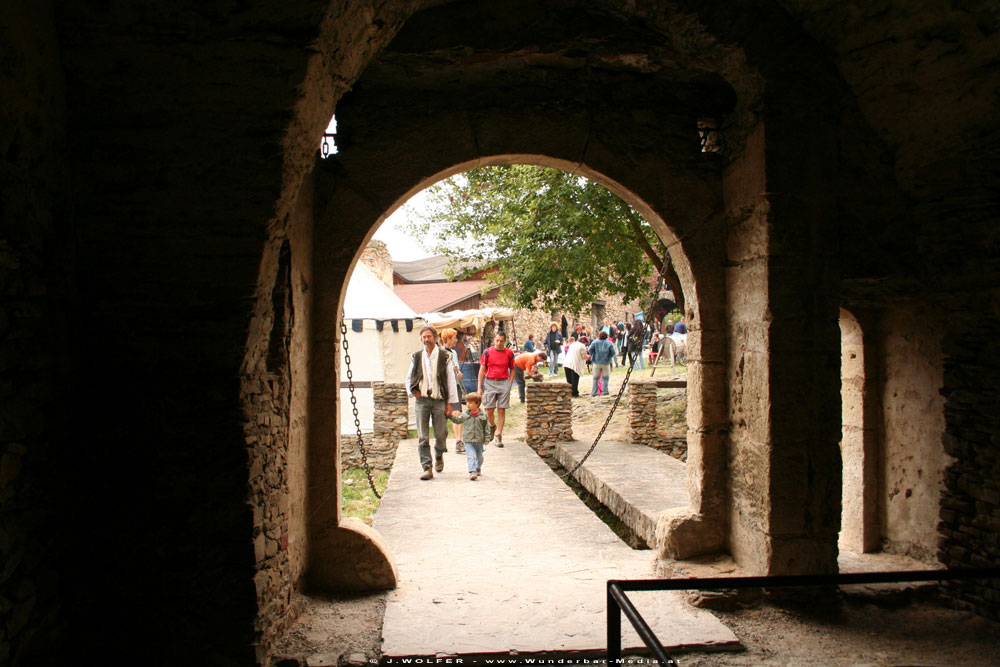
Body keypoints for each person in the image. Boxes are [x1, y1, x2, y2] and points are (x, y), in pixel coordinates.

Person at [407, 326, 459, 480]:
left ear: (435, 338)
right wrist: (413, 392)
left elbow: (450, 380)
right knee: (423, 435)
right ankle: (427, 466)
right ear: (421, 339)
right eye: (424, 337)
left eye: (429, 336)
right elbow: (409, 377)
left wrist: (450, 404)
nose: (426, 340)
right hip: (422, 400)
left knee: (441, 433)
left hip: (439, 400)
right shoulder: (416, 357)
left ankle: (439, 454)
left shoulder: (444, 356)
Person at [477, 331, 515, 447]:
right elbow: (482, 369)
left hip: (503, 382)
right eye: (497, 340)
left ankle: (498, 435)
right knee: (489, 409)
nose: (499, 343)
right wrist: (479, 386)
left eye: (501, 341)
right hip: (490, 382)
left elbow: (513, 369)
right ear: (494, 340)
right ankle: (492, 426)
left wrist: (510, 384)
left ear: (505, 341)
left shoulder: (509, 353)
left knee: (501, 409)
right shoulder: (487, 352)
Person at [449, 392, 490, 480]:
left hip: (479, 440)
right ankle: (472, 471)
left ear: (477, 404)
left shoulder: (483, 415)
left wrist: (487, 438)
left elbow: (486, 428)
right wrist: (449, 416)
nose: (468, 405)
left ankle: (478, 467)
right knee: (471, 456)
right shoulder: (465, 414)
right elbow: (457, 420)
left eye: (471, 403)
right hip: (468, 440)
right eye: (467, 402)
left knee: (479, 457)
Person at [440, 328, 466, 454]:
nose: (457, 340)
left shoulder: (454, 353)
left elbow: (457, 371)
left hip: (455, 386)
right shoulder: (440, 353)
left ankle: (458, 441)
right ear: (448, 339)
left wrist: (458, 373)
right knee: (443, 414)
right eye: (455, 337)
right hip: (444, 387)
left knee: (457, 413)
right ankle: (442, 442)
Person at [588, 330, 616, 396]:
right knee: (605, 378)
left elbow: (590, 349)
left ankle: (594, 392)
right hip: (606, 362)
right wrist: (609, 356)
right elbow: (613, 352)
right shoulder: (609, 343)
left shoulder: (595, 342)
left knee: (595, 378)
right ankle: (605, 392)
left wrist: (592, 354)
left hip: (596, 362)